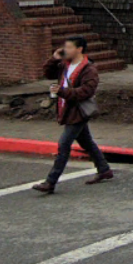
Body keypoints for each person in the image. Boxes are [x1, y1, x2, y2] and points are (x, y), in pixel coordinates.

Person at [32, 37, 113, 194]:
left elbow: (86, 92)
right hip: (67, 109)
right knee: (86, 142)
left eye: (69, 47)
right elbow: (47, 73)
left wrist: (62, 91)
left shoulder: (89, 70)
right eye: (65, 47)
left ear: (79, 49)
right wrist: (54, 59)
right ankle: (104, 169)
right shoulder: (64, 65)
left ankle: (50, 181)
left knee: (64, 145)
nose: (65, 50)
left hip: (77, 112)